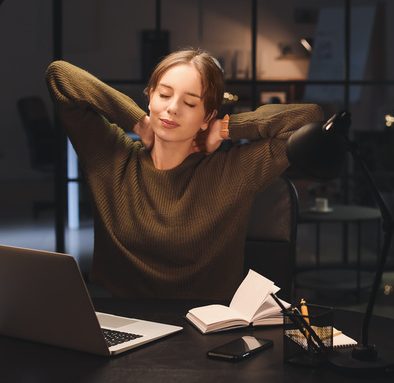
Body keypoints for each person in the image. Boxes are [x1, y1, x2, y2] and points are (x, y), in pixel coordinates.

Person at [45, 48, 323, 300]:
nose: (172, 108)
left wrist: (226, 128)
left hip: (206, 327)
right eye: (164, 95)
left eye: (190, 103)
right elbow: (60, 76)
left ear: (206, 116)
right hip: (125, 321)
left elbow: (311, 118)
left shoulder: (235, 171)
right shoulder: (111, 157)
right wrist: (136, 121)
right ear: (150, 97)